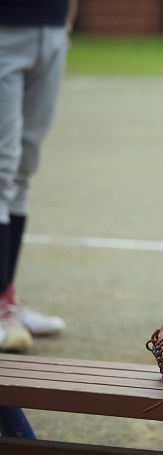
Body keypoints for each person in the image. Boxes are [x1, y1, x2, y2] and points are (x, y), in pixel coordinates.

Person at [0, 0, 77, 351]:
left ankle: (7, 298)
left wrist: (66, 21)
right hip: (6, 26)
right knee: (2, 165)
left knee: (23, 167)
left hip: (51, 26)